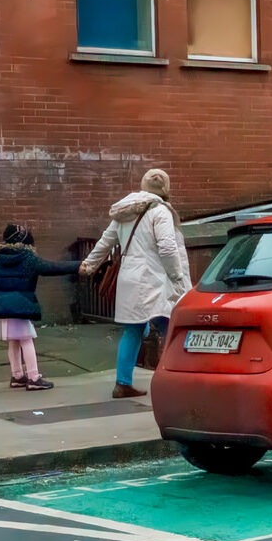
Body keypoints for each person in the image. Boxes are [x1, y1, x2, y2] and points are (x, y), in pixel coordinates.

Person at [79, 169, 190, 399]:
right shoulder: (160, 212)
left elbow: (105, 242)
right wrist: (177, 276)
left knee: (133, 329)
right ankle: (173, 380)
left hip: (130, 276)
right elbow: (168, 248)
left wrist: (88, 264)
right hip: (155, 277)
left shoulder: (123, 212)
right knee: (170, 327)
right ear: (166, 189)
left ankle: (123, 383)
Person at [0, 223, 79, 391]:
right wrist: (79, 265)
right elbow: (52, 268)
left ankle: (17, 376)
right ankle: (34, 377)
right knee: (26, 340)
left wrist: (4, 288)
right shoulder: (28, 258)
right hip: (20, 304)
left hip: (1, 304)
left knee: (13, 341)